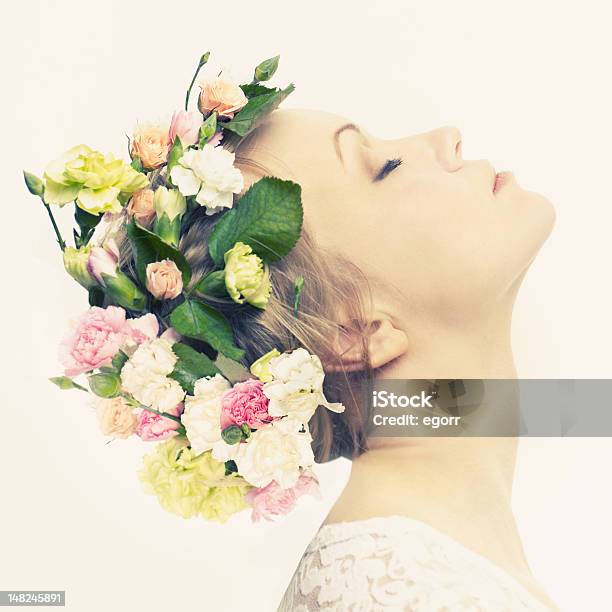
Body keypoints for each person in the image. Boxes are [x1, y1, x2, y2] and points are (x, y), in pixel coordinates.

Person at [178, 108, 558, 610]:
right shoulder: (391, 587)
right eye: (387, 166)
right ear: (352, 334)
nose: (447, 136)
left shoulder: (412, 570)